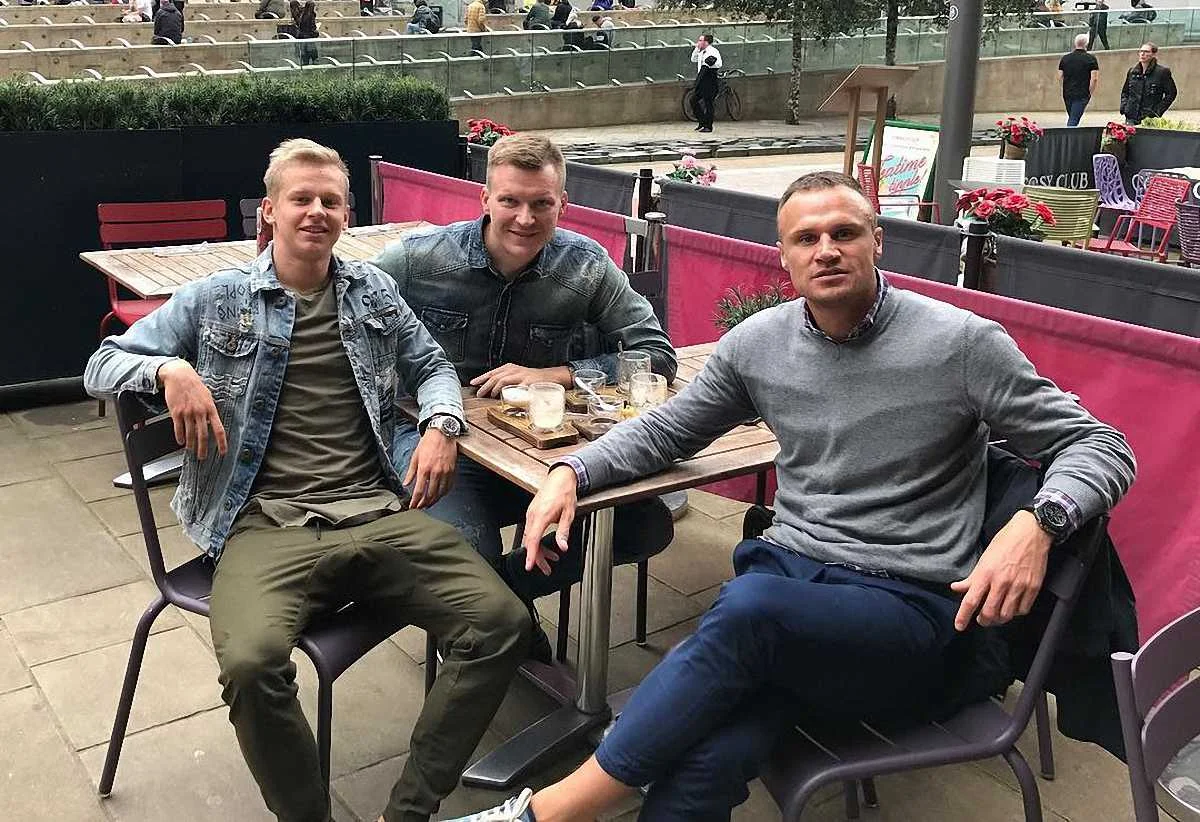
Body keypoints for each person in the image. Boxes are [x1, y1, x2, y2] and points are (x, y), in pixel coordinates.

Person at [445, 169, 1137, 822]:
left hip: (905, 608)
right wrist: (572, 473)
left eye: (845, 232)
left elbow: (1101, 444)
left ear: (878, 242)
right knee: (707, 756)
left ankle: (544, 812)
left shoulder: (960, 343)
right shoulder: (759, 344)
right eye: (806, 238)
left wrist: (1039, 522)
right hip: (792, 587)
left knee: (748, 612)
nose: (826, 250)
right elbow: (667, 430)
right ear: (784, 257)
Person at [83, 139, 531, 822]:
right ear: (270, 210)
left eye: (331, 200)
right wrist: (168, 369)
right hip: (265, 524)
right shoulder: (218, 299)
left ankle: (408, 811)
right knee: (252, 664)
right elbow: (102, 363)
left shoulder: (373, 291)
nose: (317, 211)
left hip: (377, 511)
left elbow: (433, 365)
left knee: (501, 623)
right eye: (301, 198)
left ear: (347, 214)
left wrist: (442, 425)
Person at [374, 134, 677, 664]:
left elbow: (657, 355)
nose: (525, 218)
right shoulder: (420, 260)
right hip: (440, 443)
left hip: (541, 452)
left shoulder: (585, 266)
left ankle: (498, 612)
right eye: (510, 201)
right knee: (466, 550)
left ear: (563, 204)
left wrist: (555, 373)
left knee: (645, 524)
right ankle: (493, 624)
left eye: (541, 203)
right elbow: (345, 308)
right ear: (485, 199)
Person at [1121, 41, 1177, 124]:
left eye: (1146, 52)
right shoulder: (1132, 72)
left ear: (1153, 54)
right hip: (1131, 116)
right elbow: (1125, 92)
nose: (1142, 54)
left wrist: (1157, 111)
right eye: (1141, 51)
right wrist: (1125, 107)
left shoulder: (1162, 72)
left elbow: (1171, 93)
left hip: (1149, 117)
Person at [1059, 32, 1100, 127]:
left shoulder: (1065, 58)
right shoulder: (1091, 59)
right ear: (1086, 44)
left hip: (1068, 93)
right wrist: (1089, 92)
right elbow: (1094, 78)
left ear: (1075, 43)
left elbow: (1060, 76)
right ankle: (1069, 135)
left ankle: (1070, 133)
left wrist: (1064, 87)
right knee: (1074, 119)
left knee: (1073, 116)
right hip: (1082, 93)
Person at [690, 33, 722, 134]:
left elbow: (717, 64)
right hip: (702, 78)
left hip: (710, 77)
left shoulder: (713, 51)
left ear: (706, 42)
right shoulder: (701, 51)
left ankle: (708, 126)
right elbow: (693, 59)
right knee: (693, 100)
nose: (698, 42)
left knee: (708, 103)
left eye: (700, 40)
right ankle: (702, 121)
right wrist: (697, 49)